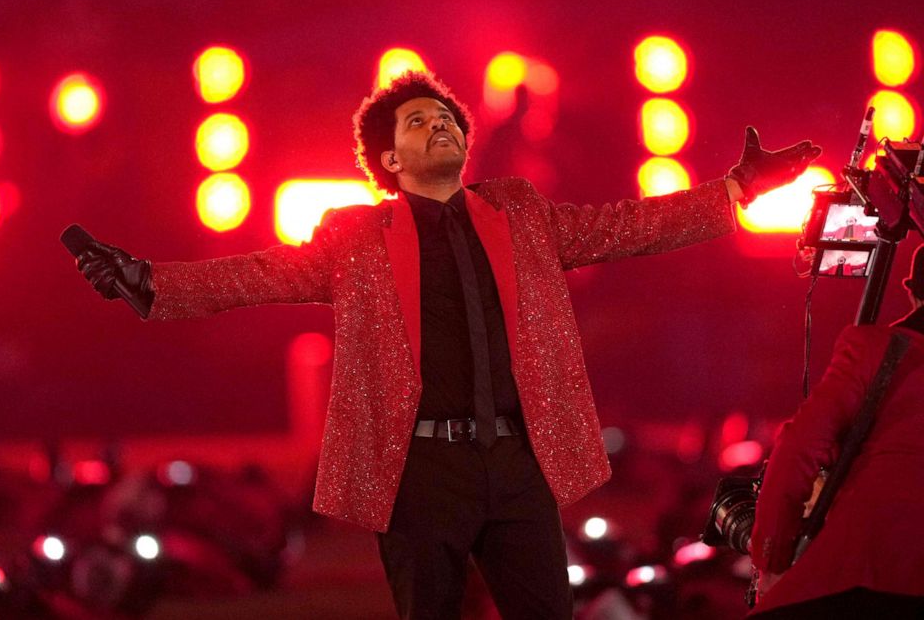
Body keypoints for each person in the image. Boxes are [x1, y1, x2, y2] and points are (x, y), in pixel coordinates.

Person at [75, 71, 819, 619]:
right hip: (420, 468)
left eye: (446, 119)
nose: (439, 128)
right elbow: (259, 274)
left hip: (519, 461)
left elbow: (630, 225)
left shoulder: (519, 212)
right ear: (388, 162)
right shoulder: (357, 237)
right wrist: (150, 282)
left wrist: (737, 189)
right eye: (418, 123)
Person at [749, 244, 924, 618]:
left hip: (864, 568)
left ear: (912, 292)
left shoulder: (873, 349)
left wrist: (773, 558)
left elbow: (800, 448)